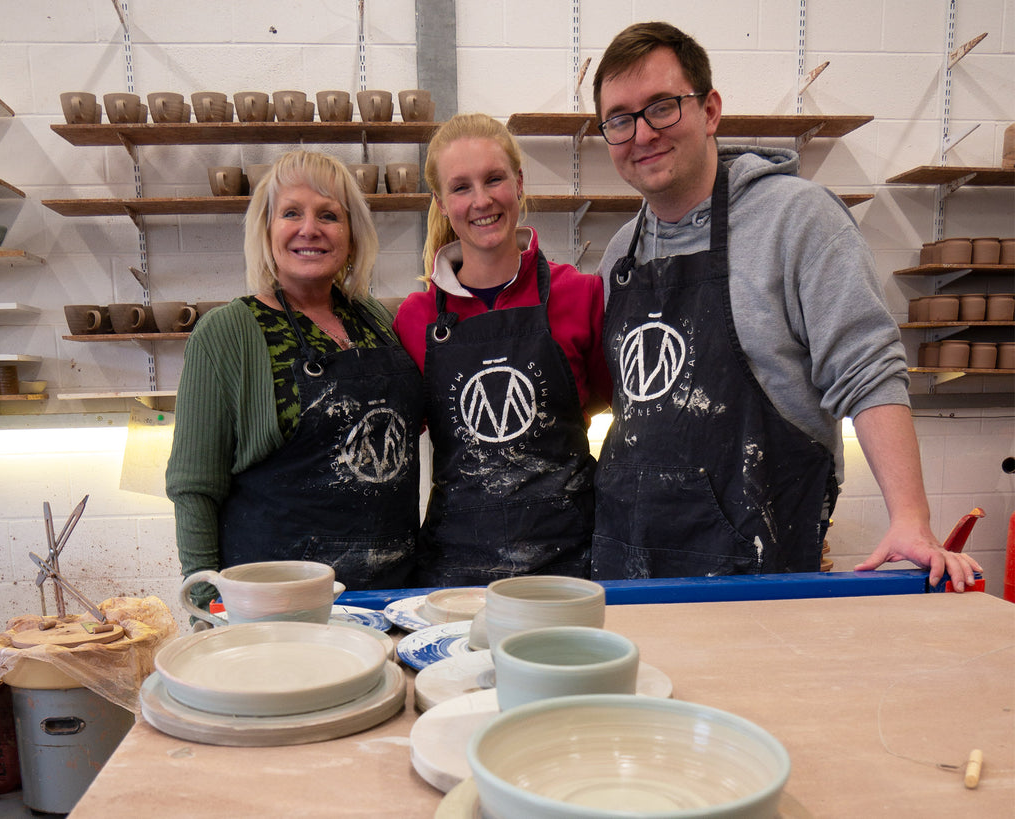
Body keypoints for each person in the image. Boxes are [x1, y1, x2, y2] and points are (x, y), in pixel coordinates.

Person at [590, 21, 981, 590]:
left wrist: (910, 519)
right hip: (627, 568)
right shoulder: (621, 253)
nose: (642, 133)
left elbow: (867, 369)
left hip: (755, 572)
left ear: (711, 110)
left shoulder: (797, 219)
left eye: (662, 107)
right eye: (620, 119)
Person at [166, 149, 423, 608]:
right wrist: (208, 610)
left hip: (392, 595)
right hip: (280, 608)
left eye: (329, 215)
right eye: (291, 213)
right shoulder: (228, 333)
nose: (310, 229)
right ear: (266, 232)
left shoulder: (376, 320)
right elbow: (194, 490)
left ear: (352, 235)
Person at [393, 113, 611, 586]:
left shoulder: (581, 293)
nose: (482, 200)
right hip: (458, 567)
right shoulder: (415, 318)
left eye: (494, 179)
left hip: (570, 561)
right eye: (461, 187)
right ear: (441, 202)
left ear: (518, 182)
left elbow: (605, 401)